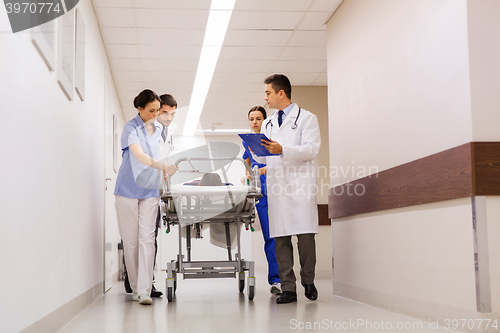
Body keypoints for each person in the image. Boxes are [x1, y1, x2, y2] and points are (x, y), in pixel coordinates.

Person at [260, 74, 321, 304]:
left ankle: (308, 280)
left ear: (281, 93)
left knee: (305, 237)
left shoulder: (307, 118)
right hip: (278, 187)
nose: (265, 97)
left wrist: (282, 149)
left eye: (268, 93)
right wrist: (256, 147)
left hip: (300, 185)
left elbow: (311, 149)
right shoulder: (268, 123)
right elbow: (264, 154)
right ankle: (288, 288)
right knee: (281, 240)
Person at [114, 89, 178, 305]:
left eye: (157, 110)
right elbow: (139, 155)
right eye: (151, 110)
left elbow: (163, 154)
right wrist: (163, 166)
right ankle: (134, 287)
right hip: (127, 190)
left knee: (147, 239)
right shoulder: (130, 128)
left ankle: (144, 290)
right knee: (131, 242)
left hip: (150, 190)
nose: (155, 114)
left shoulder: (160, 128)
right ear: (139, 109)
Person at [240, 106, 282, 295]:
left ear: (265, 120)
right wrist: (246, 176)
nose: (255, 122)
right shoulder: (248, 143)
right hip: (261, 194)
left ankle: (284, 277)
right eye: (251, 119)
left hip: (278, 190)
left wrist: (263, 170)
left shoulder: (272, 139)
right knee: (269, 236)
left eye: (258, 118)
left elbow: (281, 162)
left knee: (282, 235)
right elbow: (247, 162)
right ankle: (276, 280)